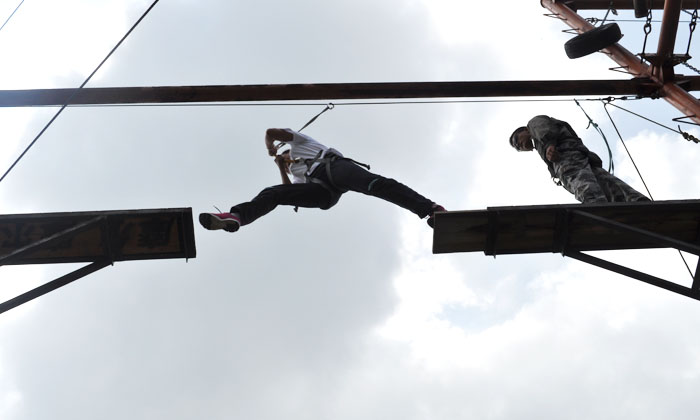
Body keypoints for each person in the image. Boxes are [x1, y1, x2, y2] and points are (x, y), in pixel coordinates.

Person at [199, 128, 444, 233]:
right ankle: (237, 217)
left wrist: (270, 147)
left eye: (285, 156)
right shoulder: (295, 173)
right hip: (322, 194)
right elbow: (288, 195)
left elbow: (270, 132)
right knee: (272, 193)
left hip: (334, 169)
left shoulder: (302, 144)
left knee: (378, 186)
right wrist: (281, 168)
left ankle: (430, 209)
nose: (285, 159)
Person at [509, 115, 649, 203]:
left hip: (567, 159)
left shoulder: (533, 124)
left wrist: (549, 145)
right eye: (517, 148)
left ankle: (596, 207)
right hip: (580, 157)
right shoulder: (539, 142)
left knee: (582, 184)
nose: (519, 146)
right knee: (608, 184)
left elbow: (543, 128)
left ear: (525, 130)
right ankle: (638, 202)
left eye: (516, 141)